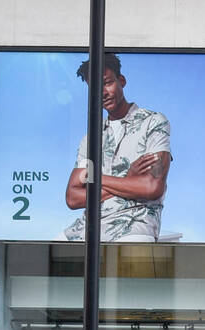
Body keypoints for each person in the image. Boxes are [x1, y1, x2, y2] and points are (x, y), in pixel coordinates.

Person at [62, 52, 171, 242]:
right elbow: (72, 197)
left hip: (133, 225)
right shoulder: (91, 138)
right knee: (41, 257)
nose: (102, 93)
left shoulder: (153, 122)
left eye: (107, 83)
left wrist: (95, 179)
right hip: (86, 227)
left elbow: (152, 187)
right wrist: (128, 179)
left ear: (122, 80)